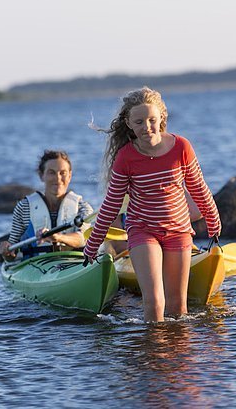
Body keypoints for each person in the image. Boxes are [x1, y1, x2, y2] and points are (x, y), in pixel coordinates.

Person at [84, 87, 221, 322]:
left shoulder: (181, 148)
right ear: (128, 123)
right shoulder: (126, 157)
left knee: (178, 306)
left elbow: (199, 188)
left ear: (161, 118)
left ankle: (178, 357)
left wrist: (213, 220)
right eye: (139, 122)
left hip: (178, 231)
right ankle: (152, 354)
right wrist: (92, 244)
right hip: (143, 231)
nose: (146, 127)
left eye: (152, 120)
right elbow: (111, 204)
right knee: (155, 301)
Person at [0, 149, 94, 261]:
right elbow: (11, 255)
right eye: (51, 172)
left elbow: (83, 239)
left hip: (72, 264)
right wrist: (6, 251)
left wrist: (58, 238)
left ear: (70, 176)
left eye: (63, 173)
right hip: (35, 266)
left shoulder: (83, 208)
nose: (58, 179)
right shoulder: (24, 207)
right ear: (41, 175)